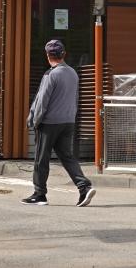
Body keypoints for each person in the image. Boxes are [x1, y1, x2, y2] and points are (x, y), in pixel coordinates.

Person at [21, 39, 96, 207]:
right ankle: (84, 186)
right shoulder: (72, 73)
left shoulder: (50, 74)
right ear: (64, 54)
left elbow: (42, 101)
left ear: (48, 56)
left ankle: (39, 194)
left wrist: (34, 120)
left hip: (49, 123)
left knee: (41, 159)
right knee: (67, 156)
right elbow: (75, 98)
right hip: (68, 121)